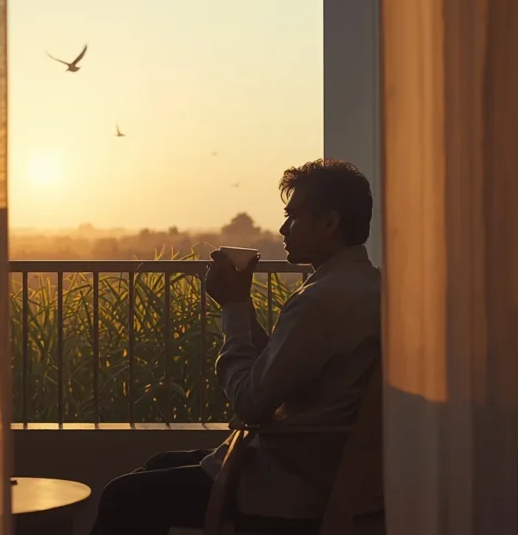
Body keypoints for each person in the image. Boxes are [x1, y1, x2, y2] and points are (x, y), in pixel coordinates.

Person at [90, 158, 382, 535]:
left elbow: (249, 402)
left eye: (293, 217)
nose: (282, 228)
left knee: (122, 496)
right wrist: (242, 305)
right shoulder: (368, 286)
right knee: (159, 463)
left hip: (286, 483)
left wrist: (231, 308)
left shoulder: (321, 301)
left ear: (329, 223)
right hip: (323, 467)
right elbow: (281, 366)